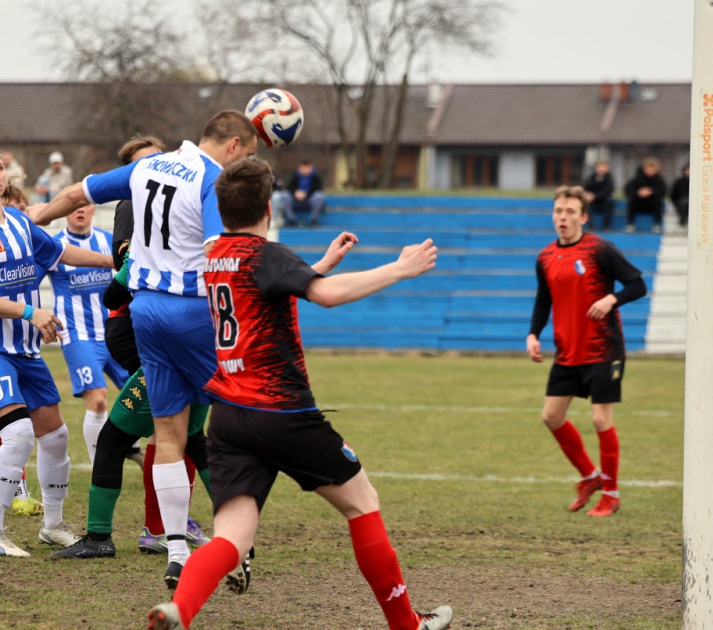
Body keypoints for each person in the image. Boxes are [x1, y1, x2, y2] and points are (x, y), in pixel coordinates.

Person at [145, 158, 450, 630]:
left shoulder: (216, 253)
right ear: (269, 207)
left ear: (220, 208)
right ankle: (406, 623)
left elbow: (264, 288)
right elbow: (323, 296)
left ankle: (178, 609)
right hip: (280, 412)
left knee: (232, 536)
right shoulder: (267, 253)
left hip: (228, 415)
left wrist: (319, 265)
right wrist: (400, 268)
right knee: (362, 502)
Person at [31, 110, 259, 588]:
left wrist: (29, 220)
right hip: (194, 315)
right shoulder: (213, 180)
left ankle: (176, 552)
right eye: (249, 155)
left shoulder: (148, 168)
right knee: (232, 426)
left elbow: (75, 194)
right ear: (234, 145)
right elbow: (223, 253)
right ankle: (236, 544)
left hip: (146, 315)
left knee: (169, 436)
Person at [50, 135, 215, 563]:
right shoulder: (163, 204)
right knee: (190, 437)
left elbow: (113, 296)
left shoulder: (150, 217)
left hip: (158, 340)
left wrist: (130, 269)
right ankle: (222, 525)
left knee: (130, 437)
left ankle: (111, 535)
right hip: (192, 340)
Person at [0, 145, 114, 557]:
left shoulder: (21, 222)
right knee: (18, 434)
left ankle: (53, 526)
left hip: (24, 350)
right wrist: (30, 312)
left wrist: (114, 261)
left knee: (56, 437)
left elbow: (60, 253)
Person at [526, 185, 647, 518]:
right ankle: (590, 477)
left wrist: (611, 299)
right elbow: (543, 301)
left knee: (599, 418)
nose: (562, 217)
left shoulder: (600, 249)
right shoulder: (545, 257)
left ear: (583, 217)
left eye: (569, 212)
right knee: (551, 417)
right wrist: (533, 334)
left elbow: (638, 284)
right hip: (567, 351)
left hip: (603, 349)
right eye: (558, 211)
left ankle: (611, 493)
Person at [48, 203, 128, 463]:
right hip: (78, 334)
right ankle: (100, 467)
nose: (79, 210)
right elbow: (29, 283)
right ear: (65, 210)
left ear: (94, 209)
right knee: (98, 402)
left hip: (115, 334)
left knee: (140, 394)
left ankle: (131, 447)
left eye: (85, 206)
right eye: (74, 206)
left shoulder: (109, 242)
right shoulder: (53, 245)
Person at [273, 160, 326, 228]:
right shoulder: (295, 177)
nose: (304, 170)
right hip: (296, 201)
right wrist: (296, 193)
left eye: (306, 168)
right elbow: (289, 188)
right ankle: (291, 220)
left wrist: (306, 194)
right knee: (285, 195)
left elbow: (318, 189)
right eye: (303, 168)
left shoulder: (315, 177)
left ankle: (314, 220)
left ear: (310, 168)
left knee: (318, 196)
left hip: (309, 201)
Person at [623, 158, 667, 233]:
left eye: (652, 170)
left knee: (658, 201)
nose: (651, 172)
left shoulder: (659, 180)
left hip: (652, 204)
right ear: (644, 169)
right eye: (649, 169)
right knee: (631, 201)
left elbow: (663, 191)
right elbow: (628, 189)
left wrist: (651, 192)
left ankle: (657, 224)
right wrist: (638, 192)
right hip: (639, 203)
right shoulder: (637, 178)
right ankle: (630, 224)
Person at [581, 160, 615, 232]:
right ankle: (590, 226)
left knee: (609, 201)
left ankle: (606, 225)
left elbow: (608, 190)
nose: (601, 169)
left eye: (603, 167)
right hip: (593, 201)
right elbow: (585, 187)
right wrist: (588, 195)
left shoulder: (609, 178)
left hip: (604, 201)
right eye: (599, 167)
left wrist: (595, 195)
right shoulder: (591, 177)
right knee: (587, 203)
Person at [670, 164, 691, 231]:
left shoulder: (700, 182)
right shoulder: (679, 182)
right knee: (684, 202)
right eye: (687, 170)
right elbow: (673, 195)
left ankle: (682, 222)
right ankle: (682, 222)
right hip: (681, 204)